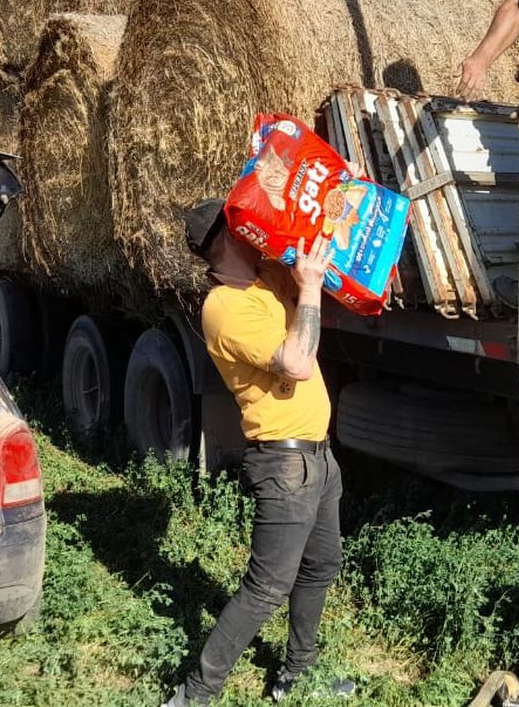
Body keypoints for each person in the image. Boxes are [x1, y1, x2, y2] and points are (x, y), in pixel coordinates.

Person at [162, 200, 354, 706]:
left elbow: (323, 260)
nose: (255, 230)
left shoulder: (267, 278)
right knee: (267, 586)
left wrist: (340, 203)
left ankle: (298, 675)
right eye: (243, 226)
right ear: (223, 239)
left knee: (321, 566)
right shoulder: (224, 306)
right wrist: (309, 288)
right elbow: (296, 363)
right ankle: (195, 695)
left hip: (319, 458)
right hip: (285, 464)